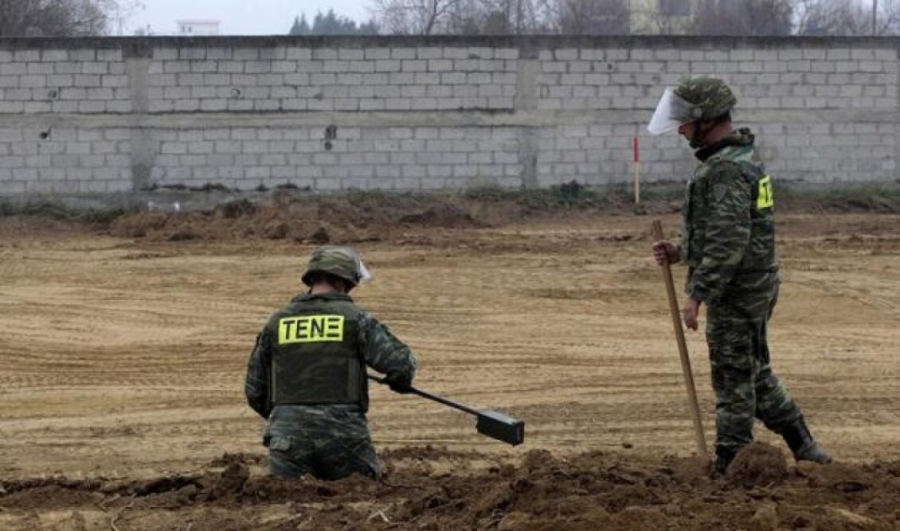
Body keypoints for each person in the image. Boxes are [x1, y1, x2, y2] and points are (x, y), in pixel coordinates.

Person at [647, 76, 832, 475]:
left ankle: (731, 461)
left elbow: (729, 241)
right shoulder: (737, 160)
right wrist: (683, 252)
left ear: (707, 119)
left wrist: (697, 294)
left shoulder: (726, 170)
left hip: (738, 289)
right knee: (753, 371)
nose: (679, 130)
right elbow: (728, 233)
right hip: (752, 282)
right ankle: (805, 445)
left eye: (684, 122)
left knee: (732, 376)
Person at [244, 245, 417, 480]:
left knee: (288, 506)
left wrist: (291, 419)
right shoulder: (355, 318)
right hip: (344, 438)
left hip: (287, 442)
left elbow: (255, 390)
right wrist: (398, 381)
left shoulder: (276, 322)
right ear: (343, 281)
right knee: (361, 500)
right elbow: (401, 365)